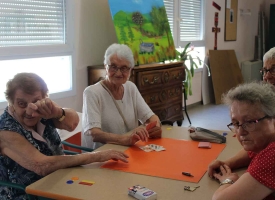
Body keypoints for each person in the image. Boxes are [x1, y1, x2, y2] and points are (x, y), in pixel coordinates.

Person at [0, 73, 128, 199]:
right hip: (27, 194)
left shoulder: (43, 112)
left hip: (60, 179)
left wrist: (57, 112)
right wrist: (96, 156)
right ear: (11, 102)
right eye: (22, 104)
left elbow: (72, 123)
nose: (30, 111)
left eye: (36, 101)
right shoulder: (5, 130)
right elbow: (41, 166)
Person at [208, 82, 275, 200]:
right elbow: (252, 150)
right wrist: (226, 164)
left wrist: (229, 180)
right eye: (236, 123)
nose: (240, 132)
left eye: (250, 122)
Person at [82, 43, 162, 149]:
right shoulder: (92, 93)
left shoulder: (130, 88)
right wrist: (126, 139)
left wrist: (156, 127)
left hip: (128, 151)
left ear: (130, 70)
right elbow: (95, 134)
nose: (118, 73)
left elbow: (151, 117)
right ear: (105, 67)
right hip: (102, 156)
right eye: (113, 67)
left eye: (124, 68)